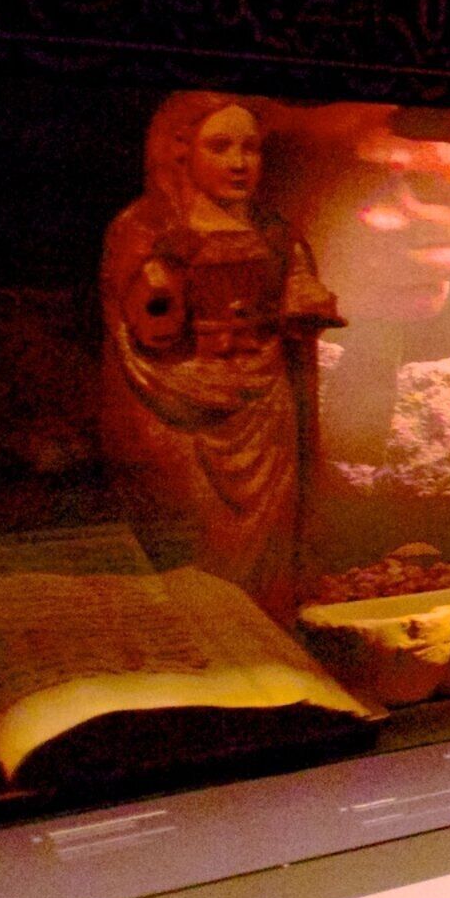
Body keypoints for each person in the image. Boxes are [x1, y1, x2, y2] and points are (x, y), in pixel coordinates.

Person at [98, 92, 344, 616]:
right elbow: (138, 330)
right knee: (197, 550)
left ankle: (271, 656)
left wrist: (303, 307)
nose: (238, 163)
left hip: (267, 415)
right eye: (220, 147)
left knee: (271, 557)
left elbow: (299, 290)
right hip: (181, 413)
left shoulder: (276, 233)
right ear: (181, 152)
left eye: (250, 148)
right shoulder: (145, 229)